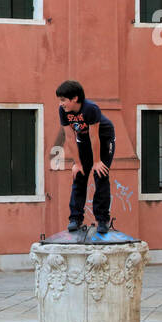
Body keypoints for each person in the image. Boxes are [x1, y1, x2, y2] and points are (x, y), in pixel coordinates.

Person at [56, 80, 116, 234]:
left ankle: (102, 219)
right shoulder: (63, 111)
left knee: (100, 174)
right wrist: (77, 163)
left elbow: (94, 136)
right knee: (79, 176)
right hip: (83, 141)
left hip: (103, 140)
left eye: (63, 100)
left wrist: (96, 162)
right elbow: (69, 137)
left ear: (74, 98)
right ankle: (75, 218)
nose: (61, 104)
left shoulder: (91, 109)